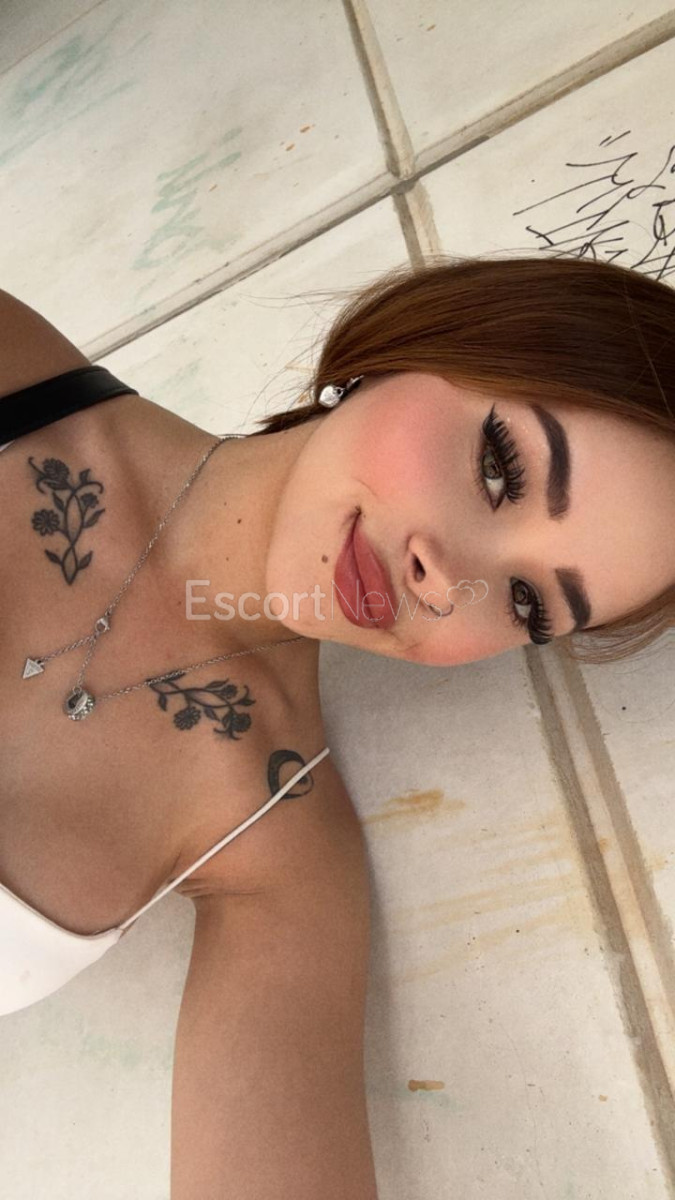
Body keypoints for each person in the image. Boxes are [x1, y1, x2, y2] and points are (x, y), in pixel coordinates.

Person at [1, 253, 674, 1197]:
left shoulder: (278, 854)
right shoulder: (17, 373)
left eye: (525, 602)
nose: (449, 578)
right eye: (499, 468)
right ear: (419, 338)